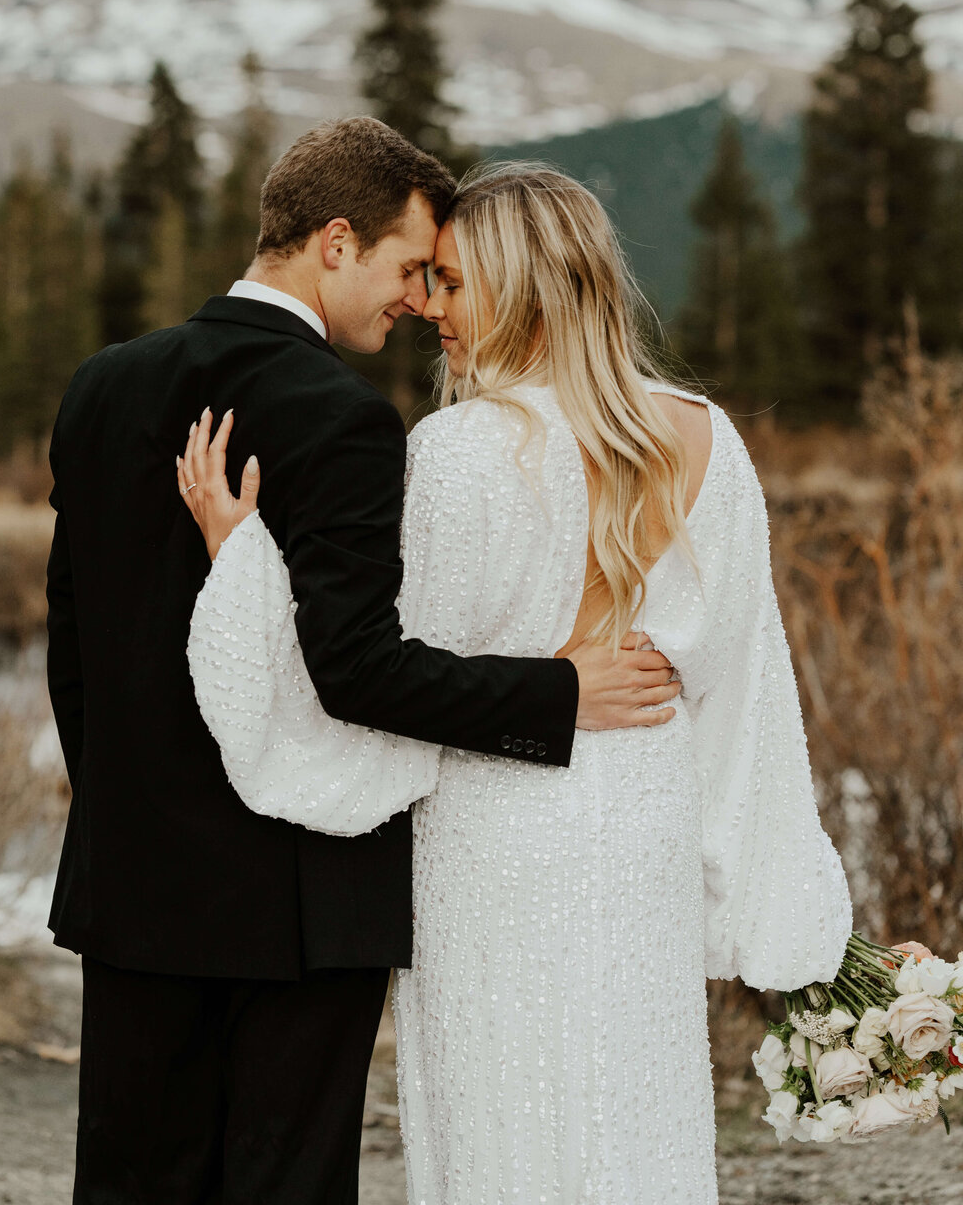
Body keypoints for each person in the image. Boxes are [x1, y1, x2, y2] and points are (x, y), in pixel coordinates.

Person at [180, 162, 853, 1205]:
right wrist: (764, 899)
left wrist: (245, 565)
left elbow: (389, 684)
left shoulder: (459, 453)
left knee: (502, 1128)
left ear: (528, 285)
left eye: (453, 282)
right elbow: (746, 694)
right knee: (636, 1116)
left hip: (494, 842)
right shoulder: (709, 441)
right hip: (645, 833)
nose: (430, 310)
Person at [44, 120, 683, 1205]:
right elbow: (358, 671)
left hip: (136, 881)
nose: (420, 302)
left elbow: (74, 651)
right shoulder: (341, 419)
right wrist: (562, 693)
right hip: (299, 899)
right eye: (408, 269)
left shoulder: (104, 386)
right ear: (334, 243)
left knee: (130, 1183)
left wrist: (122, 811)